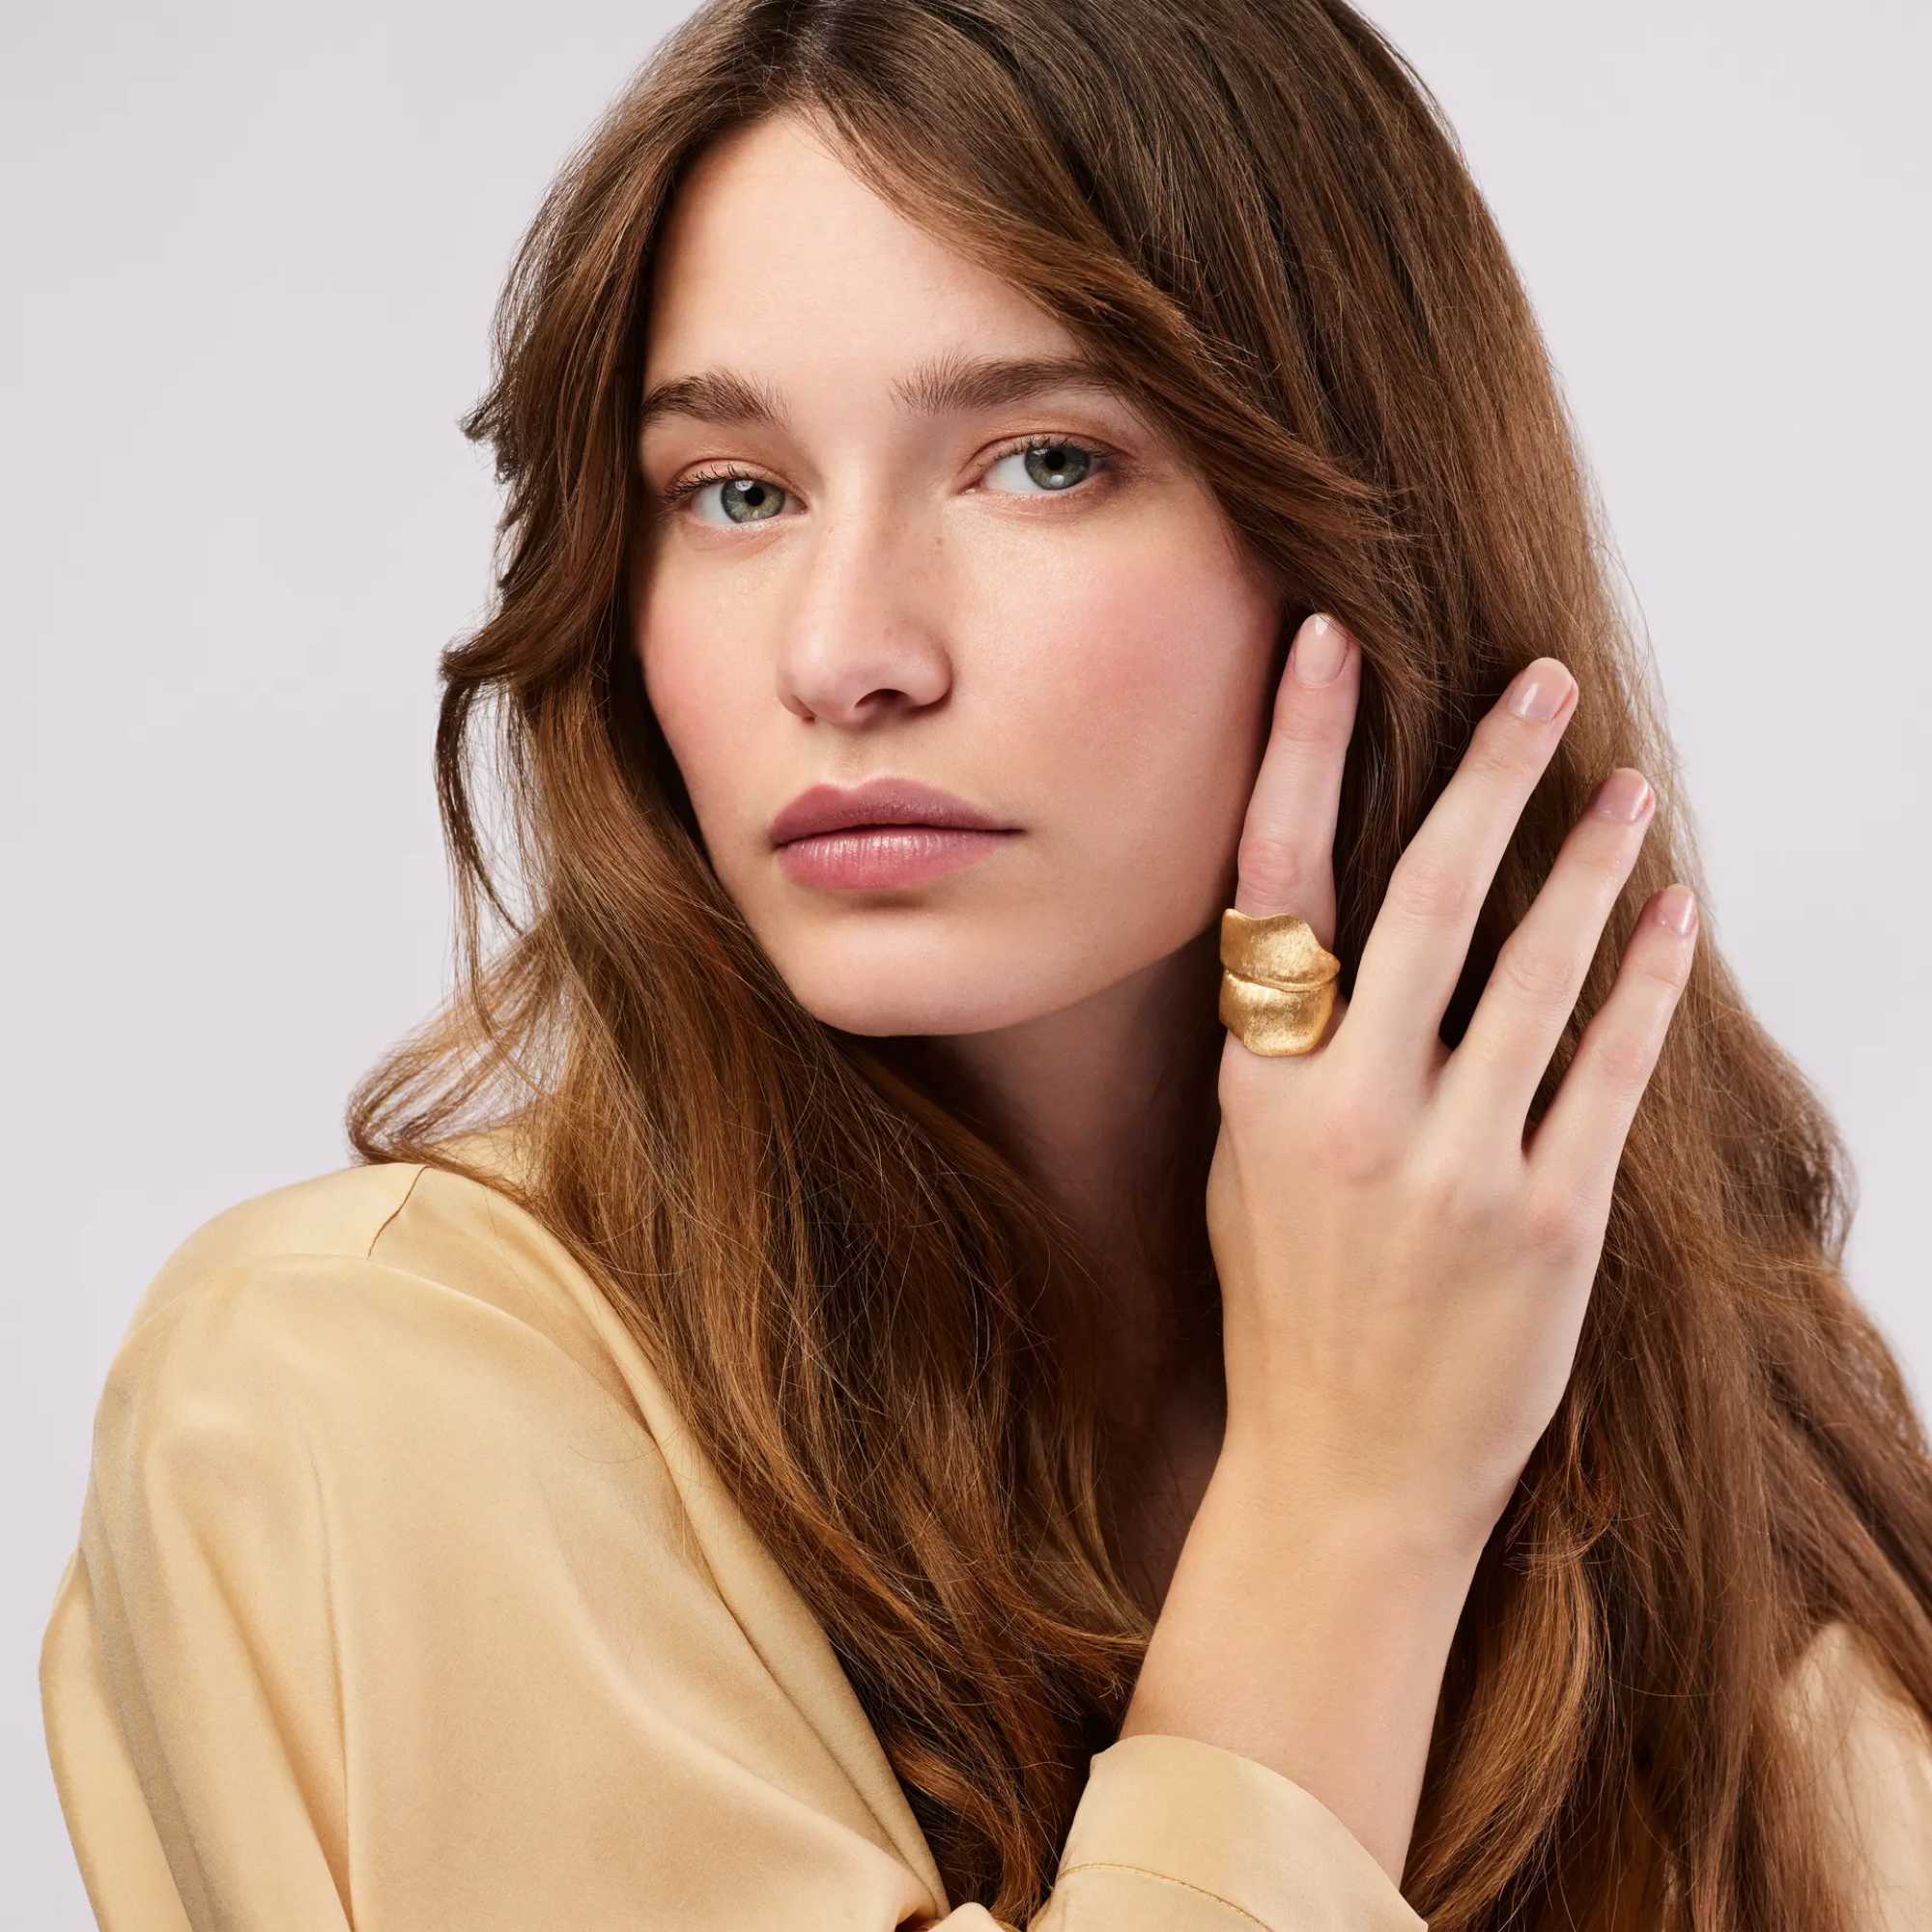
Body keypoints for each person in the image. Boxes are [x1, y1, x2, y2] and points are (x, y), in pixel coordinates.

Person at [40, 2, 1932, 1926]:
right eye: (737, 491)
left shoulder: (1701, 1417)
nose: (846, 652)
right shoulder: (346, 1388)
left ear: (1366, 539)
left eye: (1040, 462)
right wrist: (1350, 1504)